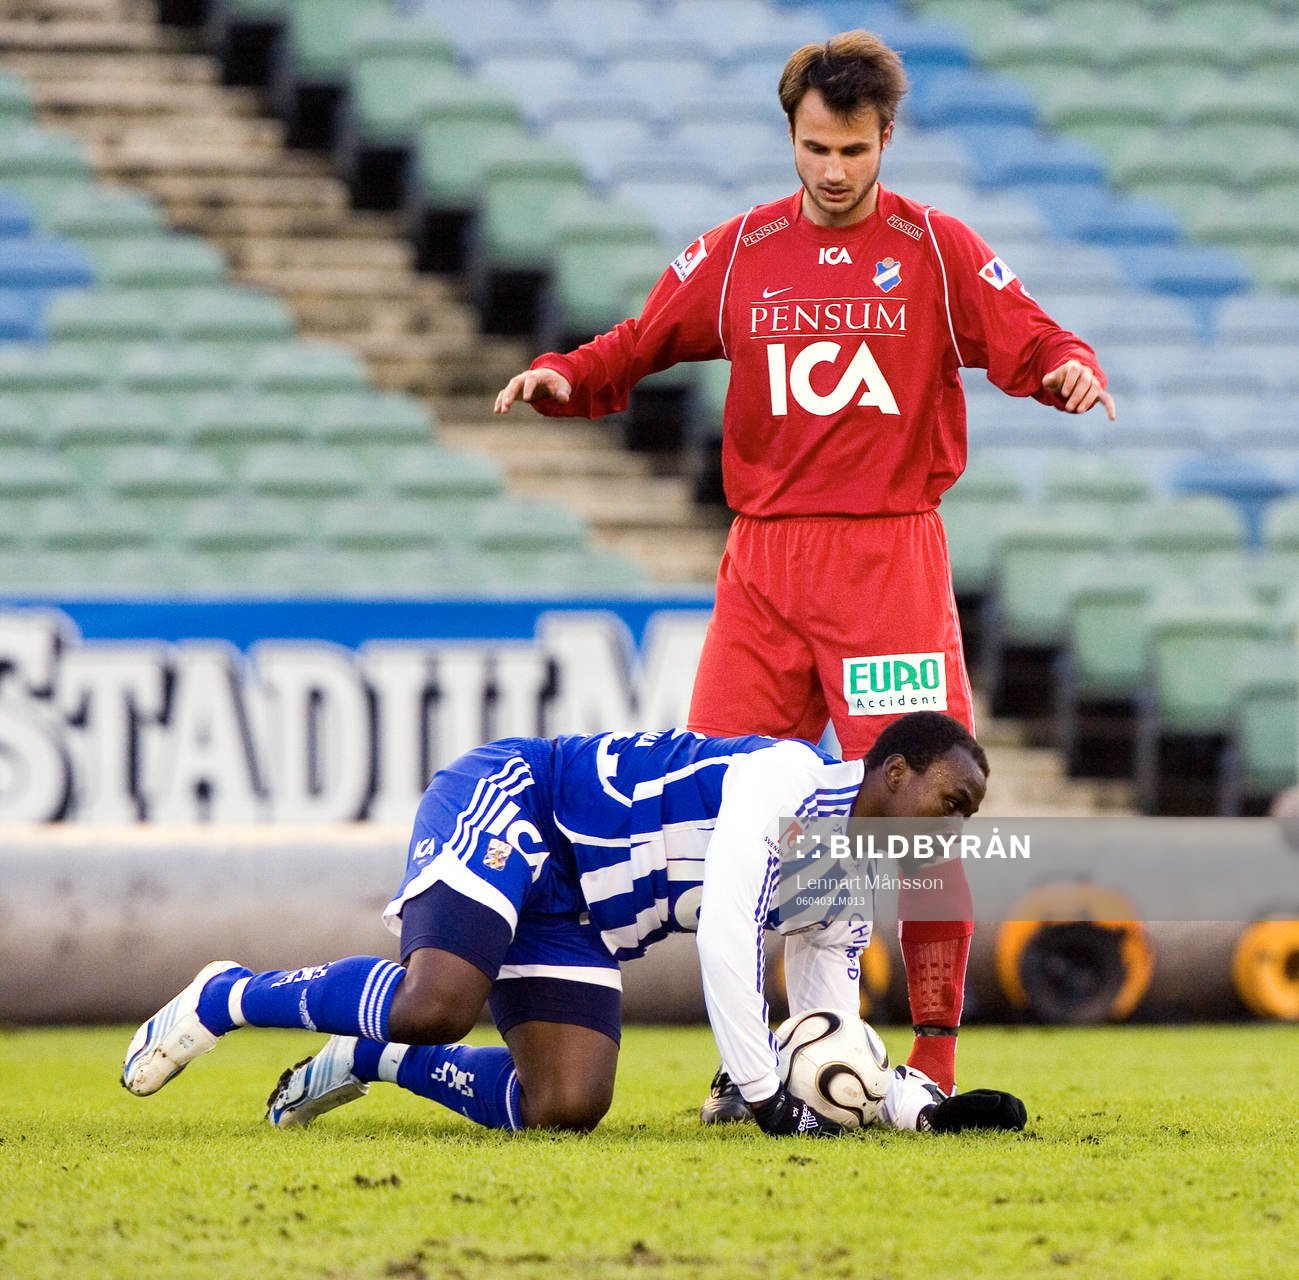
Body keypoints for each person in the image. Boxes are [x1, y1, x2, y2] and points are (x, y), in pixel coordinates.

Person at [493, 30, 1118, 1102]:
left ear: (887, 141)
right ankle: (757, 1058)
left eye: (856, 151)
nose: (835, 172)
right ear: (791, 133)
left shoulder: (936, 248)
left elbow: (1033, 334)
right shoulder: (738, 252)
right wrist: (564, 376)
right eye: (817, 148)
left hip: (889, 561)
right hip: (766, 572)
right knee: (730, 817)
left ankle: (931, 1061)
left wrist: (1067, 367)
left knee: (919, 813)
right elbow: (640, 341)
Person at [122, 711, 1025, 1138]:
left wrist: (913, 1110)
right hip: (524, 803)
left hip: (580, 911)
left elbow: (826, 1028)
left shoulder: (846, 881)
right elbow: (723, 943)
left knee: (563, 1107)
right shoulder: (783, 779)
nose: (950, 834)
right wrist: (763, 1095)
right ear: (893, 772)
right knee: (438, 1003)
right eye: (949, 804)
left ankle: (372, 1057)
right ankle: (228, 993)